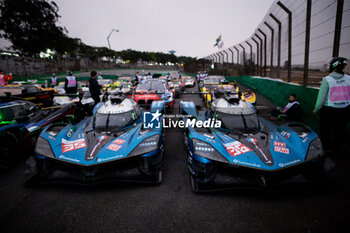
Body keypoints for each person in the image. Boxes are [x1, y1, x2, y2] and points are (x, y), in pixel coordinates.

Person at [313, 57, 350, 155]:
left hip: (329, 111)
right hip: (345, 110)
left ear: (333, 66)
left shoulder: (327, 80)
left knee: (326, 129)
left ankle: (327, 148)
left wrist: (316, 109)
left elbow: (321, 98)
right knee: (340, 130)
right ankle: (338, 149)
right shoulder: (349, 79)